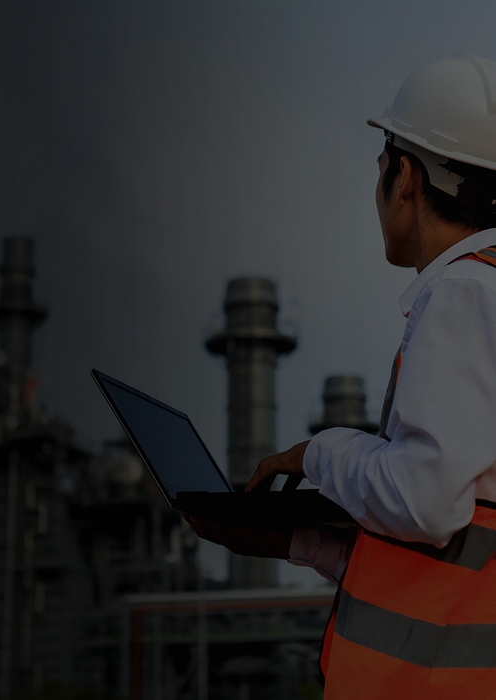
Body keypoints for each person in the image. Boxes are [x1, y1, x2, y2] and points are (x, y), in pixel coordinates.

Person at [187, 53, 496, 697]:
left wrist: (321, 452)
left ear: (406, 175)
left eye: (383, 162)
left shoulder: (462, 294)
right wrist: (298, 540)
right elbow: (466, 541)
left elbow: (426, 504)